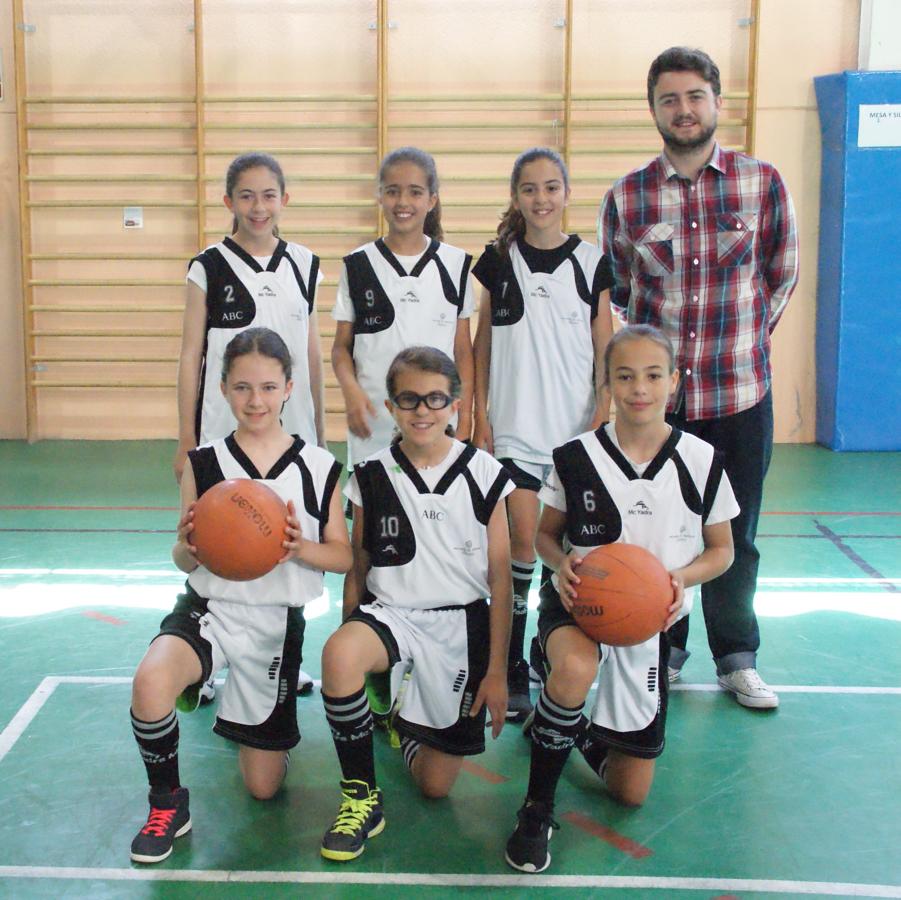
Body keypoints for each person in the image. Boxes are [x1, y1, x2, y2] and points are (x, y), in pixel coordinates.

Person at [599, 47, 798, 709]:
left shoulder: (760, 182)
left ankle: (735, 655)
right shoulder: (628, 196)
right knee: (661, 532)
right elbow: (623, 295)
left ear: (716, 101)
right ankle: (667, 648)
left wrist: (741, 341)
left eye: (693, 96)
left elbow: (780, 274)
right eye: (668, 100)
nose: (682, 110)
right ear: (653, 109)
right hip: (660, 411)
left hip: (740, 397)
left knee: (734, 537)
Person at [504, 325, 738, 873]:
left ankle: (567, 726)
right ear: (606, 383)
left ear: (674, 382)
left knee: (631, 793)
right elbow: (544, 535)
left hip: (652, 618)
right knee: (575, 670)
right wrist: (561, 566)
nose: (639, 388)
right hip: (581, 603)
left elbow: (722, 550)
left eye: (653, 376)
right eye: (625, 376)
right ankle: (536, 808)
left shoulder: (702, 461)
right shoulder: (574, 457)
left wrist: (682, 577)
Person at [129, 328, 351, 865]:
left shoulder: (319, 467)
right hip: (209, 609)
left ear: (289, 389)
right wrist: (189, 547)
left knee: (262, 788)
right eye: (244, 387)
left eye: (269, 387)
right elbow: (181, 560)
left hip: (276, 624)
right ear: (224, 389)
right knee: (150, 680)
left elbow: (344, 558)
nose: (257, 400)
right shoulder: (204, 464)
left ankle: (251, 724)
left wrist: (301, 549)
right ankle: (168, 802)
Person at [319, 347, 513, 862]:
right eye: (409, 399)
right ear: (391, 405)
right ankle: (361, 797)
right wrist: (349, 635)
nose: (422, 410)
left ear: (455, 404)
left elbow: (501, 581)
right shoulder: (371, 473)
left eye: (434, 399)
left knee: (435, 785)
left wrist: (498, 670)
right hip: (392, 616)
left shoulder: (486, 474)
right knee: (340, 656)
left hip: (459, 627)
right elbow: (359, 566)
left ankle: (398, 720)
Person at [174, 151, 326, 697]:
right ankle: (206, 659)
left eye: (268, 195)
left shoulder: (305, 264)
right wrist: (186, 440)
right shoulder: (208, 265)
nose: (258, 207)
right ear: (228, 202)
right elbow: (191, 354)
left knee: (285, 547)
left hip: (289, 434)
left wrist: (321, 434)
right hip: (224, 432)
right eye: (246, 196)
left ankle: (285, 659)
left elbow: (310, 357)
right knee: (218, 541)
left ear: (285, 200)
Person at [472, 147, 614, 722]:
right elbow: (481, 344)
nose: (541, 198)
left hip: (573, 431)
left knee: (568, 550)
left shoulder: (591, 261)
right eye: (529, 188)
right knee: (524, 543)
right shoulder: (497, 260)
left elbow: (606, 343)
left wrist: (602, 412)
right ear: (515, 196)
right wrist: (479, 414)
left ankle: (539, 646)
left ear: (567, 193)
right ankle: (511, 661)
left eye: (551, 187)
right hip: (513, 429)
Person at [331, 146, 475, 471]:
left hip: (437, 423)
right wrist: (352, 392)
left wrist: (465, 415)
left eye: (415, 192)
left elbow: (463, 351)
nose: (403, 202)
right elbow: (341, 348)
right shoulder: (358, 265)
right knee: (371, 518)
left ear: (432, 199)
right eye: (392, 192)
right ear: (380, 196)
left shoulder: (455, 265)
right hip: (375, 424)